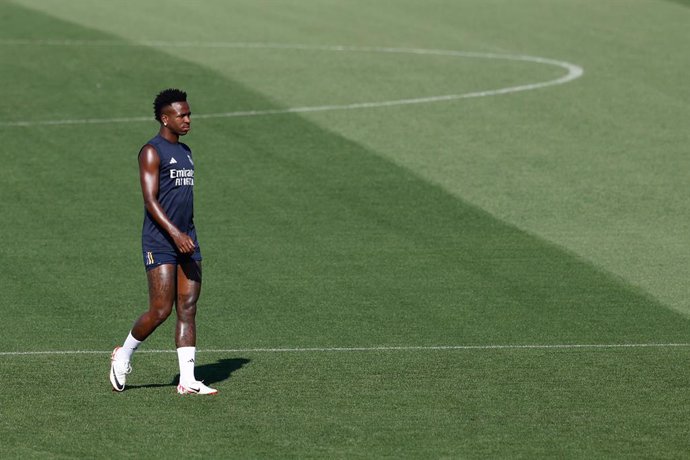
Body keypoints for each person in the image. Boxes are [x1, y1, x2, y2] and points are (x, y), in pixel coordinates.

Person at [109, 88, 217, 395]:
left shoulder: (186, 152)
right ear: (164, 118)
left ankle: (187, 380)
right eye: (181, 115)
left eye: (189, 114)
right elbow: (150, 201)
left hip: (187, 238)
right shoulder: (151, 151)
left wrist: (187, 234)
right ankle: (124, 354)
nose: (187, 119)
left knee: (188, 306)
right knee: (160, 309)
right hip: (161, 240)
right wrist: (176, 234)